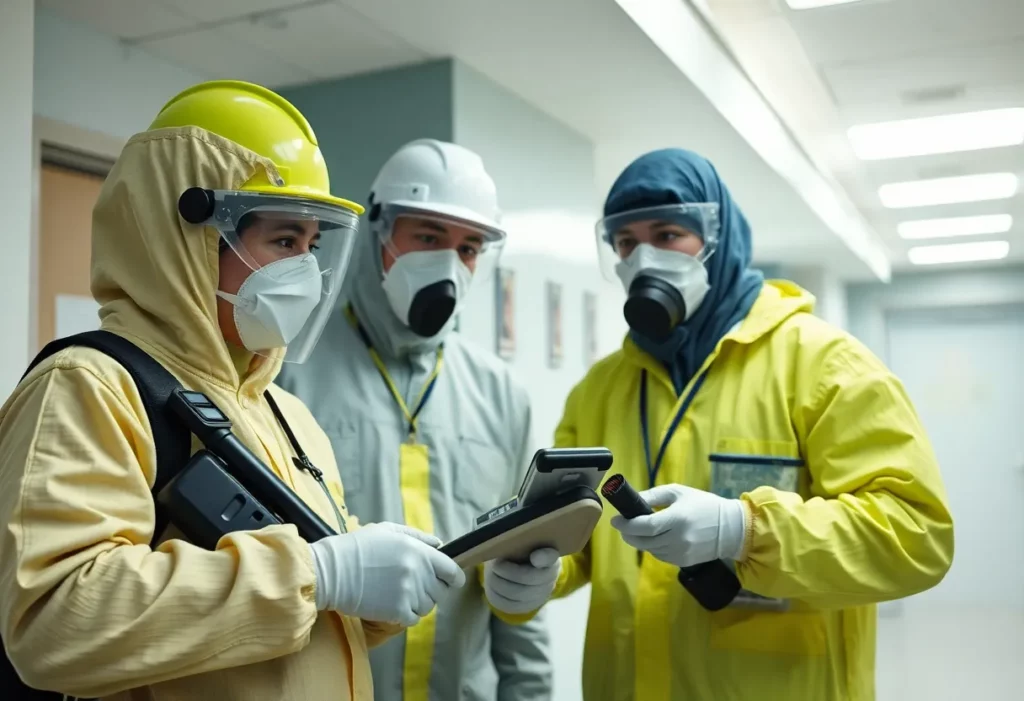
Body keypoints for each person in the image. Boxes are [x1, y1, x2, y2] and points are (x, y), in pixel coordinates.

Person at [0, 81, 465, 701]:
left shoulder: (283, 410)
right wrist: (321, 573)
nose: (304, 269)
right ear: (188, 240)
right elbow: (55, 622)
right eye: (282, 241)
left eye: (311, 245)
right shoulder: (89, 387)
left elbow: (298, 627)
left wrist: (378, 586)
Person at [481, 148, 954, 700]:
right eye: (626, 243)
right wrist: (535, 576)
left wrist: (744, 529)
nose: (643, 258)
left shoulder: (825, 365)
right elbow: (572, 530)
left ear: (718, 237)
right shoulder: (601, 388)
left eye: (667, 234)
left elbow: (916, 539)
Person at [278, 138, 552, 701]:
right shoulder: (289, 371)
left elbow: (520, 592)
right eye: (428, 237)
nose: (450, 264)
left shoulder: (502, 396)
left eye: (469, 247)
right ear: (380, 232)